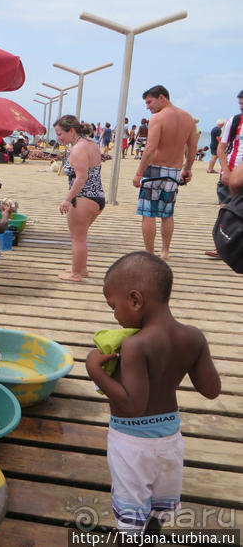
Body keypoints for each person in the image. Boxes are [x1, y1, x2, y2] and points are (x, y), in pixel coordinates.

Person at [86, 251, 220, 536]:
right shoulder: (193, 336)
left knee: (130, 521)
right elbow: (211, 390)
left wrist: (95, 371)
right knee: (157, 512)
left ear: (135, 300)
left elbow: (134, 405)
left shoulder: (136, 345)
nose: (115, 315)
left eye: (114, 307)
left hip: (132, 445)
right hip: (170, 442)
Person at [132, 85, 197, 260]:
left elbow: (151, 148)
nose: (147, 106)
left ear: (162, 97)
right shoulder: (188, 118)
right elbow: (192, 148)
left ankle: (150, 253)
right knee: (167, 213)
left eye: (149, 102)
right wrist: (187, 169)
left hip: (154, 169)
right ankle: (165, 251)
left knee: (149, 213)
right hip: (174, 170)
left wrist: (139, 173)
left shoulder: (157, 118)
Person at [54, 116, 104, 282]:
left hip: (83, 198)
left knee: (77, 238)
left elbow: (81, 177)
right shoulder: (91, 143)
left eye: (60, 134)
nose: (58, 138)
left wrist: (67, 199)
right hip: (97, 197)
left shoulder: (78, 149)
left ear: (72, 131)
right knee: (80, 236)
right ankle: (81, 268)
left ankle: (75, 274)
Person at [205, 92, 243, 257]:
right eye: (240, 104)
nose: (241, 107)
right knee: (226, 211)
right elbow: (221, 147)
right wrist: (225, 170)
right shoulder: (234, 121)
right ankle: (223, 247)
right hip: (232, 171)